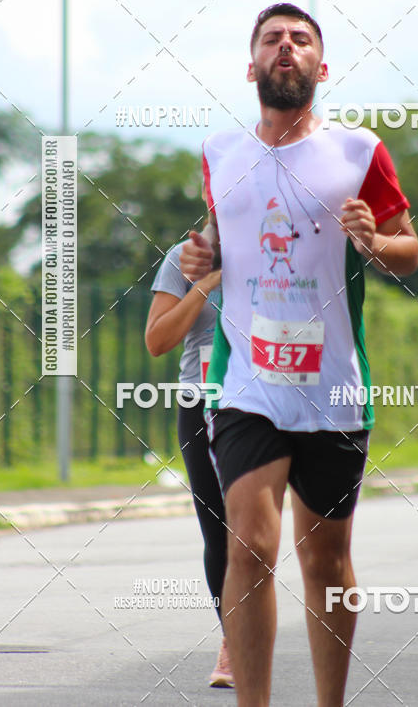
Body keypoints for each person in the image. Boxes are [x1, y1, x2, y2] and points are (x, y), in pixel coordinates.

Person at [180, 3, 418, 707]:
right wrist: (206, 255)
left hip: (333, 387)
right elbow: (226, 244)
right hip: (247, 382)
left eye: (300, 39)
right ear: (250, 64)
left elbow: (409, 252)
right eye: (271, 39)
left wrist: (375, 242)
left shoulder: (358, 152)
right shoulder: (221, 152)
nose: (286, 47)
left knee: (325, 559)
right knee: (249, 548)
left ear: (322, 65)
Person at [144, 222, 233, 688]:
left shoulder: (279, 243)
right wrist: (205, 285)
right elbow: (157, 341)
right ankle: (233, 642)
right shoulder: (186, 255)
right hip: (201, 400)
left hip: (271, 399)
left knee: (256, 529)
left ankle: (244, 635)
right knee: (220, 529)